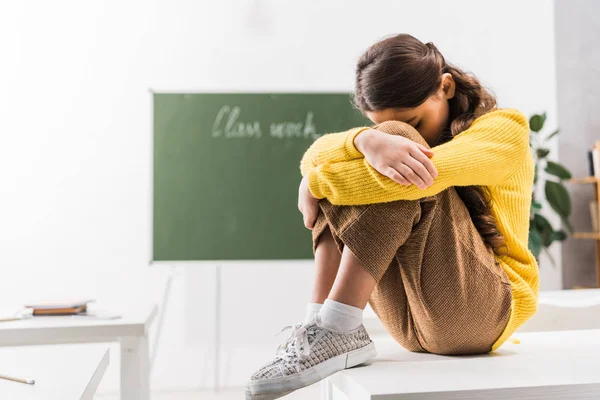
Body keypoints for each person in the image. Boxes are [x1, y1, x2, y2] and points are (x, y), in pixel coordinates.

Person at [245, 33, 538, 399]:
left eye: (417, 118)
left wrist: (314, 182)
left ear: (445, 87)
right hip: (412, 324)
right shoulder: (381, 139)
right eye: (374, 125)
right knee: (376, 153)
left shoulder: (505, 129)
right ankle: (319, 325)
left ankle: (338, 325)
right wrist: (363, 142)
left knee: (400, 150)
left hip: (485, 310)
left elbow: (424, 177)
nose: (411, 129)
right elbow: (314, 155)